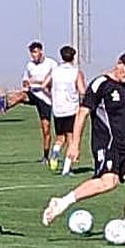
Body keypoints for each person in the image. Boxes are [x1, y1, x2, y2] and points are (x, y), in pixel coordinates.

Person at [42, 52, 125, 246]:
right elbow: (82, 113)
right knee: (106, 182)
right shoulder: (100, 84)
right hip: (106, 143)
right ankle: (61, 202)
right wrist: (75, 144)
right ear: (119, 64)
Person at [0, 41, 57, 163]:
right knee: (21, 95)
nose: (34, 55)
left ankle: (45, 156)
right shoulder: (30, 65)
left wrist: (38, 82)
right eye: (32, 52)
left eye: (35, 52)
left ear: (41, 51)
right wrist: (26, 84)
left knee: (46, 129)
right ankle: (5, 105)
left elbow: (52, 80)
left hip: (46, 99)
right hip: (33, 94)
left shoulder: (51, 64)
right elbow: (25, 80)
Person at [45, 45, 86, 174]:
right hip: (71, 109)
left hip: (58, 109)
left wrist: (52, 95)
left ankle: (55, 152)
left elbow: (44, 85)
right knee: (71, 139)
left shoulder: (55, 71)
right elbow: (82, 91)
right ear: (73, 57)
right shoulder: (76, 72)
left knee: (60, 138)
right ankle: (66, 169)